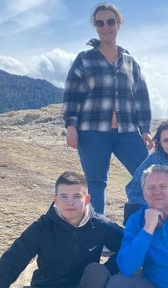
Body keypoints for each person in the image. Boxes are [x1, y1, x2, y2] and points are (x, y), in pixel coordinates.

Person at [63, 3, 152, 215]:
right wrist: (71, 126)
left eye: (110, 21)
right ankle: (96, 229)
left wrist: (145, 129)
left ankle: (145, 222)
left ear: (118, 24)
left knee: (148, 175)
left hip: (127, 132)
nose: (106, 27)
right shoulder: (84, 59)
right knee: (96, 183)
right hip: (92, 132)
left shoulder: (130, 62)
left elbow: (141, 97)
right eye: (100, 23)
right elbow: (72, 94)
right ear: (95, 26)